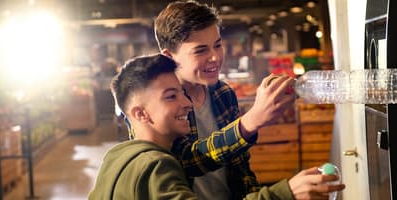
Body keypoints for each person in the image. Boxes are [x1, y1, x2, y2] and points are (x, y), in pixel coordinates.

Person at [153, 1, 344, 199]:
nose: (215, 57)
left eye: (217, 45)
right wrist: (252, 120)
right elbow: (187, 161)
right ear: (169, 57)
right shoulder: (155, 103)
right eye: (201, 50)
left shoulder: (223, 93)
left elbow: (241, 169)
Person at [89, 54, 345, 199]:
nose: (186, 103)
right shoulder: (156, 166)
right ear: (140, 114)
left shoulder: (116, 158)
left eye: (181, 93)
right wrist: (285, 192)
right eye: (171, 96)